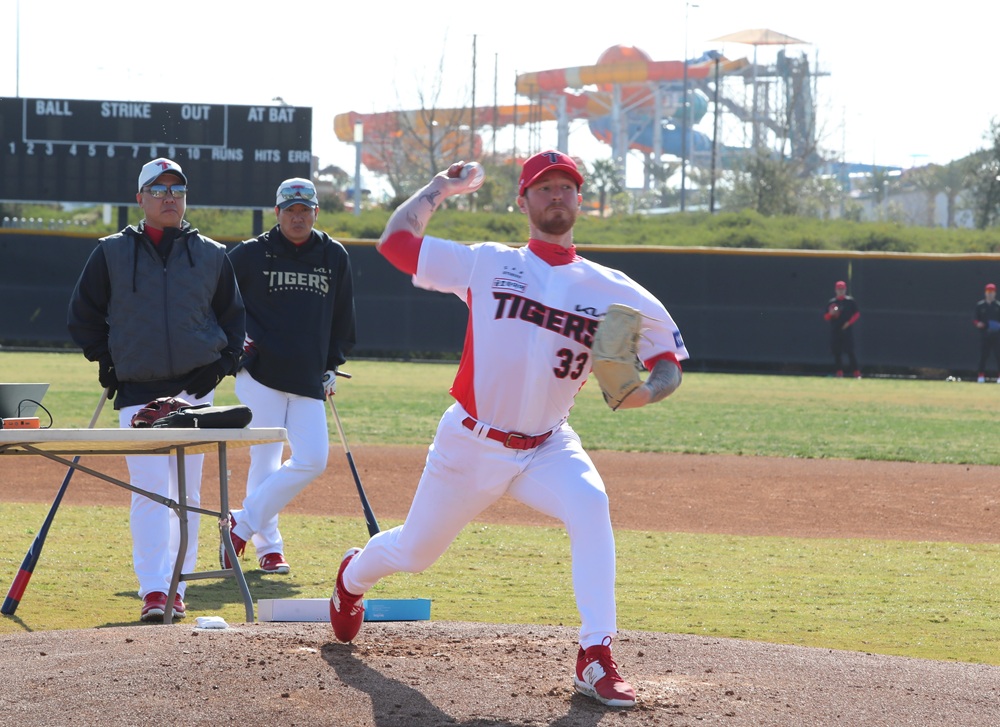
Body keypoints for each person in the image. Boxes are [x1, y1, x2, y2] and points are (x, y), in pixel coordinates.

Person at [328, 151, 689, 709]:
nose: (556, 195)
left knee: (591, 503)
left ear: (580, 199)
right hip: (471, 443)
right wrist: (439, 188)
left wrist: (648, 391)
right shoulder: (488, 264)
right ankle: (352, 578)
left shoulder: (615, 290)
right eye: (544, 187)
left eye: (566, 187)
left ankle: (595, 653)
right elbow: (396, 245)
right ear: (522, 201)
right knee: (414, 552)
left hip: (548, 445)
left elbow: (668, 360)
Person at [67, 158, 245, 622]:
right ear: (140, 198)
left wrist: (221, 367)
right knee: (149, 493)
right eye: (159, 189)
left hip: (195, 396)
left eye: (177, 190)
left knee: (188, 495)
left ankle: (177, 588)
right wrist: (106, 361)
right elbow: (82, 315)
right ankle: (153, 590)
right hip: (137, 393)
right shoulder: (110, 252)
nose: (169, 197)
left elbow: (234, 320)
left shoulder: (212, 254)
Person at [222, 178, 356, 574]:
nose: (298, 218)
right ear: (277, 212)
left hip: (309, 376)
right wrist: (237, 343)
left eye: (305, 210)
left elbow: (342, 316)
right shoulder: (250, 253)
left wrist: (332, 363)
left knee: (313, 459)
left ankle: (240, 524)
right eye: (290, 210)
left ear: (316, 212)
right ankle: (269, 548)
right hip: (261, 374)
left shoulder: (333, 255)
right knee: (265, 460)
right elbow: (217, 299)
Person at [823, 280, 861, 378]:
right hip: (836, 330)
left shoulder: (850, 301)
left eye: (842, 289)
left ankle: (856, 373)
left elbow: (857, 314)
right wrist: (831, 314)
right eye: (839, 289)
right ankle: (839, 373)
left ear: (845, 290)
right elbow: (826, 317)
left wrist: (849, 323)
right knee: (837, 352)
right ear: (835, 290)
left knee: (850, 352)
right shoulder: (832, 302)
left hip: (847, 330)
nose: (841, 291)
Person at [972, 282, 1000, 383]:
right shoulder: (980, 305)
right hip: (985, 335)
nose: (990, 294)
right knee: (983, 356)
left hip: (997, 335)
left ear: (995, 293)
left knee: (998, 355)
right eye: (988, 291)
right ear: (985, 292)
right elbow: (975, 319)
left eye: (992, 292)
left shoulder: (998, 305)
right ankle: (981, 376)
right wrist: (978, 324)